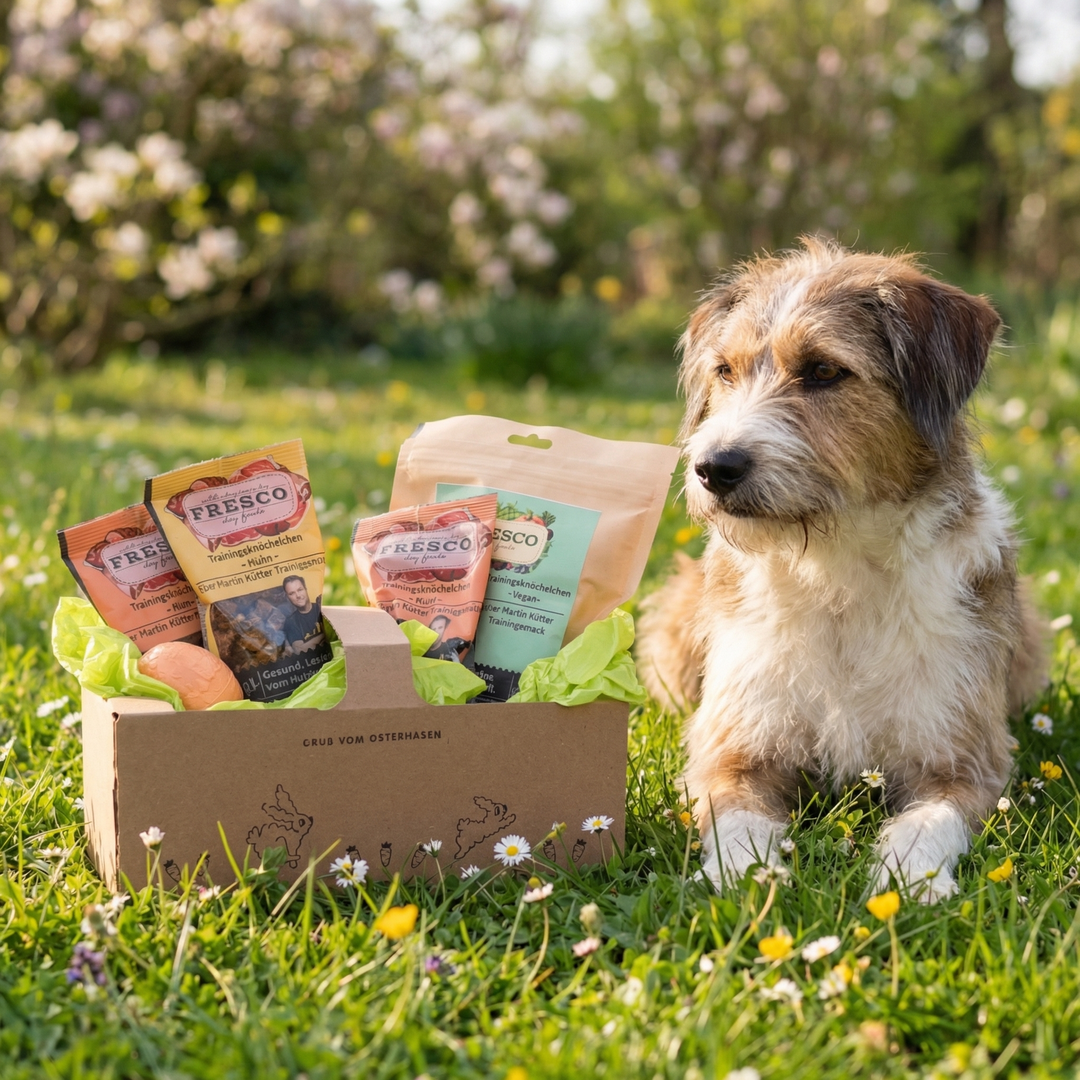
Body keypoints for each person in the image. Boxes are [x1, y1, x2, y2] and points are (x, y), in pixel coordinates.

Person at [281, 575, 326, 654]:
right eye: (292, 593)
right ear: (287, 597)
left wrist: (310, 643)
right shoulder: (290, 622)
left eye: (300, 590)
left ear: (306, 589)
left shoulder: (322, 607)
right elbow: (300, 650)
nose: (298, 596)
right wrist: (325, 635)